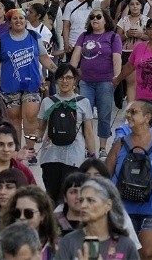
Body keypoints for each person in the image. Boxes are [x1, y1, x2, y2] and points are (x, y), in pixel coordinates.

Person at [0, 8, 58, 163]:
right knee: (14, 119)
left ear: (26, 20)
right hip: (10, 86)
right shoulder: (1, 40)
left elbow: (44, 58)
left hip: (32, 85)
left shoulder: (34, 37)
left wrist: (60, 71)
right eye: (15, 19)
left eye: (21, 18)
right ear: (10, 22)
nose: (18, 21)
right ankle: (16, 151)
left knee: (30, 117)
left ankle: (30, 151)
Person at [105, 99, 152, 260]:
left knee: (147, 252)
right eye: (128, 112)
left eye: (133, 112)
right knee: (126, 254)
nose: (128, 115)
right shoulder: (119, 144)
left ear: (147, 117)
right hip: (123, 207)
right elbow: (104, 175)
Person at [34, 64, 97, 202]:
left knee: (69, 197)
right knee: (51, 196)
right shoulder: (47, 102)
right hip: (50, 157)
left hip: (74, 158)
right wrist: (33, 143)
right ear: (56, 80)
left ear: (75, 80)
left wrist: (93, 156)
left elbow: (89, 132)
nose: (65, 81)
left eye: (69, 78)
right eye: (61, 78)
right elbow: (40, 128)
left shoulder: (84, 102)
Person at [69, 8, 122, 156]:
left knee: (104, 115)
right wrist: (70, 76)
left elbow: (117, 58)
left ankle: (103, 147)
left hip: (106, 81)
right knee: (85, 115)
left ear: (106, 19)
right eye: (92, 17)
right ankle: (88, 147)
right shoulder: (84, 36)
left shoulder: (113, 37)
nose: (95, 19)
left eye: (99, 16)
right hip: (86, 82)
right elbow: (75, 57)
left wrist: (116, 79)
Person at [114, 17, 152, 138]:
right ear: (146, 31)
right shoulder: (139, 47)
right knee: (141, 129)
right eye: (149, 28)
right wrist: (117, 79)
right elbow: (129, 66)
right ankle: (143, 155)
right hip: (143, 96)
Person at [55, 177, 139, 260]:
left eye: (90, 200)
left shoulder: (125, 245)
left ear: (108, 205)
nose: (83, 205)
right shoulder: (69, 242)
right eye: (81, 200)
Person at [3, 186, 59, 259]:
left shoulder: (57, 249)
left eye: (28, 213)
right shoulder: (3, 245)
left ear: (42, 215)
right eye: (17, 213)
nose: (21, 217)